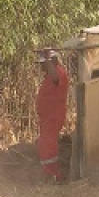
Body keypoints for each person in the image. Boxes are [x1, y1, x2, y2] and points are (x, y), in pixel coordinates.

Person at [35, 47, 69, 182]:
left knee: (47, 145)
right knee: (45, 144)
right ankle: (50, 173)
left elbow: (55, 77)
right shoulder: (50, 76)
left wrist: (47, 57)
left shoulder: (58, 74)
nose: (42, 67)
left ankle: (53, 175)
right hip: (47, 117)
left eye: (44, 64)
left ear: (53, 61)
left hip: (53, 116)